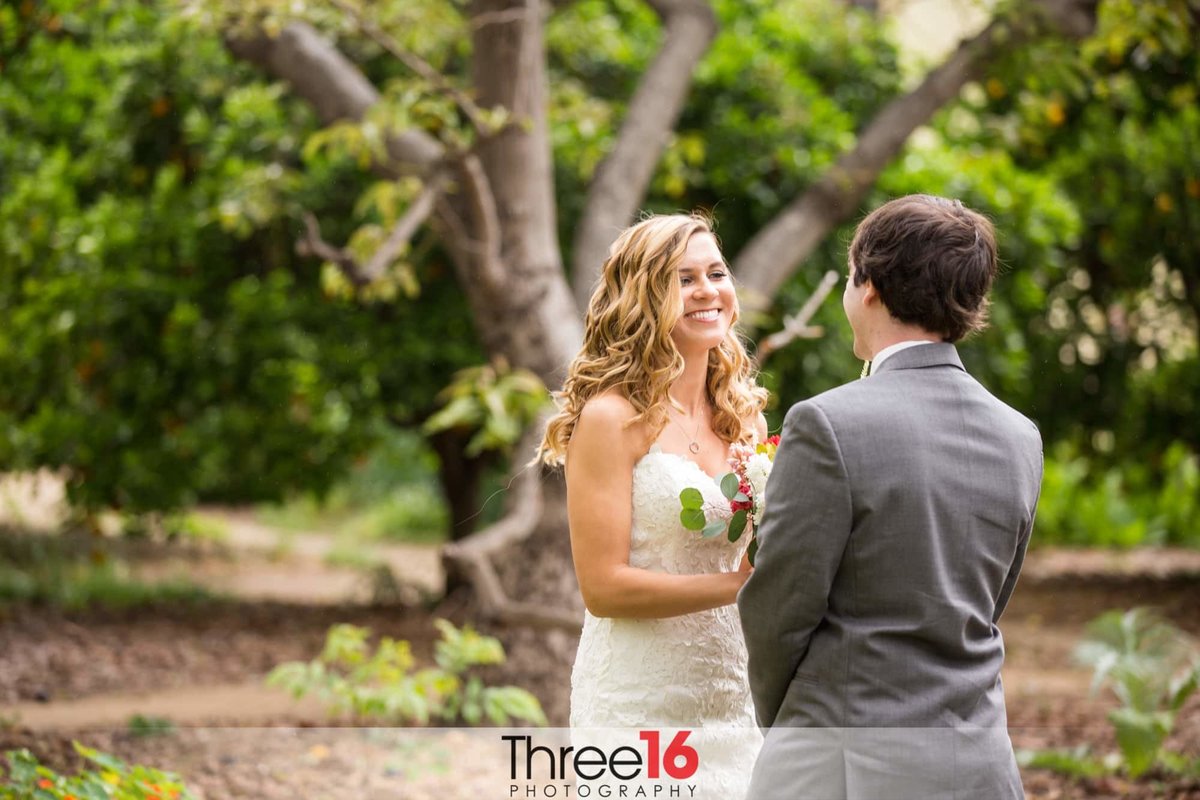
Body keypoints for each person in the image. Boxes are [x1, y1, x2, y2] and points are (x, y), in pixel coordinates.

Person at [738, 195, 1043, 800]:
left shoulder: (827, 423)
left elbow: (780, 608)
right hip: (977, 759)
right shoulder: (1020, 435)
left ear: (868, 285)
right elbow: (986, 601)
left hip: (844, 764)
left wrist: (789, 723)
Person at [537, 213, 768, 797]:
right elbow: (604, 589)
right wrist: (742, 585)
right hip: (638, 701)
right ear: (645, 297)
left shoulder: (745, 419)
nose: (708, 290)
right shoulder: (611, 419)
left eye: (716, 272)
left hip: (732, 693)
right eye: (683, 279)